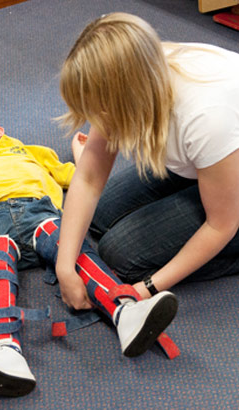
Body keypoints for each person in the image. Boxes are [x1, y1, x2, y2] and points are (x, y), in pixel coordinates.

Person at [0, 121, 178, 397]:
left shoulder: (32, 152)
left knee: (73, 250)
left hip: (39, 211)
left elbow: (79, 179)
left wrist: (81, 151)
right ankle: (4, 349)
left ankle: (125, 311)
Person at [55, 12, 239, 310]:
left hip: (224, 161)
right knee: (100, 216)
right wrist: (64, 265)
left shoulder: (206, 117)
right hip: (213, 156)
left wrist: (147, 287)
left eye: (99, 112)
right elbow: (89, 177)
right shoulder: (132, 68)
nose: (95, 122)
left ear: (128, 100)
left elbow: (221, 225)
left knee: (122, 258)